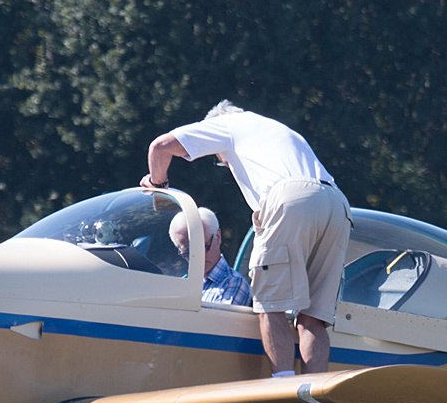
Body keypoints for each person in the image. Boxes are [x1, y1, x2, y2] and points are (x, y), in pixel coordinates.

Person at [144, 101, 350, 375]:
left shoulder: (227, 125)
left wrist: (158, 187)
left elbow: (160, 147)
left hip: (292, 200)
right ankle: (316, 396)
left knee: (269, 305)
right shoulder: (272, 128)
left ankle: (283, 388)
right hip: (337, 202)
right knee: (313, 319)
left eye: (219, 159)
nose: (223, 163)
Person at [168, 207, 251, 307]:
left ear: (218, 237)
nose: (197, 257)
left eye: (203, 247)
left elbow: (220, 322)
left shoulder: (234, 283)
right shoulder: (180, 286)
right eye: (188, 252)